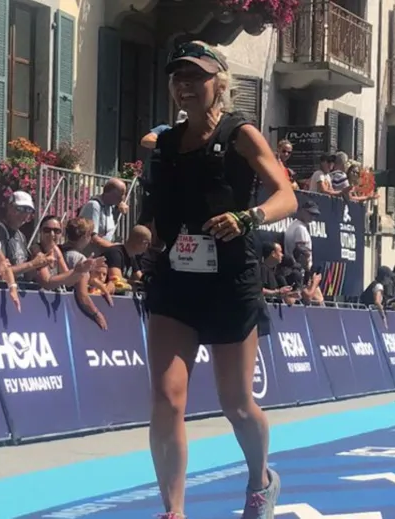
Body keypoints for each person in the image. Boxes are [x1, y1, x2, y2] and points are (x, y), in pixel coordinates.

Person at [142, 40, 297, 519]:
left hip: (230, 281)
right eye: (177, 77)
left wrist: (248, 218)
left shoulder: (240, 135)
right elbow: (154, 220)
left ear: (219, 84)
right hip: (174, 281)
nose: (185, 85)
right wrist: (133, 242)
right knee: (167, 398)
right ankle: (174, 510)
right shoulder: (161, 144)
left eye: (196, 77)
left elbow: (286, 196)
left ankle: (260, 479)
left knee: (237, 403)